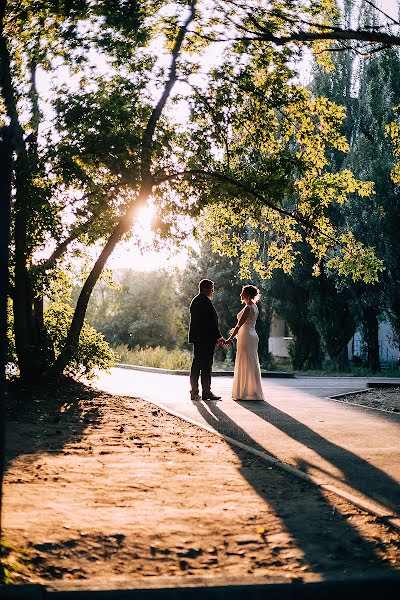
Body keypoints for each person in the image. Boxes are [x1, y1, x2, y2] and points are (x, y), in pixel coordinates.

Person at [225, 285, 265, 401]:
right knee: (251, 362)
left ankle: (244, 391)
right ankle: (252, 391)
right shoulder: (255, 307)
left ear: (247, 294)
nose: (240, 294)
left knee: (245, 361)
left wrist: (230, 338)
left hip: (247, 336)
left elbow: (239, 325)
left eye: (242, 292)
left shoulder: (248, 308)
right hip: (251, 335)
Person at [188, 279, 224, 401]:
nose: (212, 292)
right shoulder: (205, 302)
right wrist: (219, 337)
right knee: (206, 366)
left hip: (198, 339)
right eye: (211, 289)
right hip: (206, 339)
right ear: (205, 289)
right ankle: (206, 392)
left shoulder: (196, 301)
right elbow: (211, 323)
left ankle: (194, 392)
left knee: (197, 365)